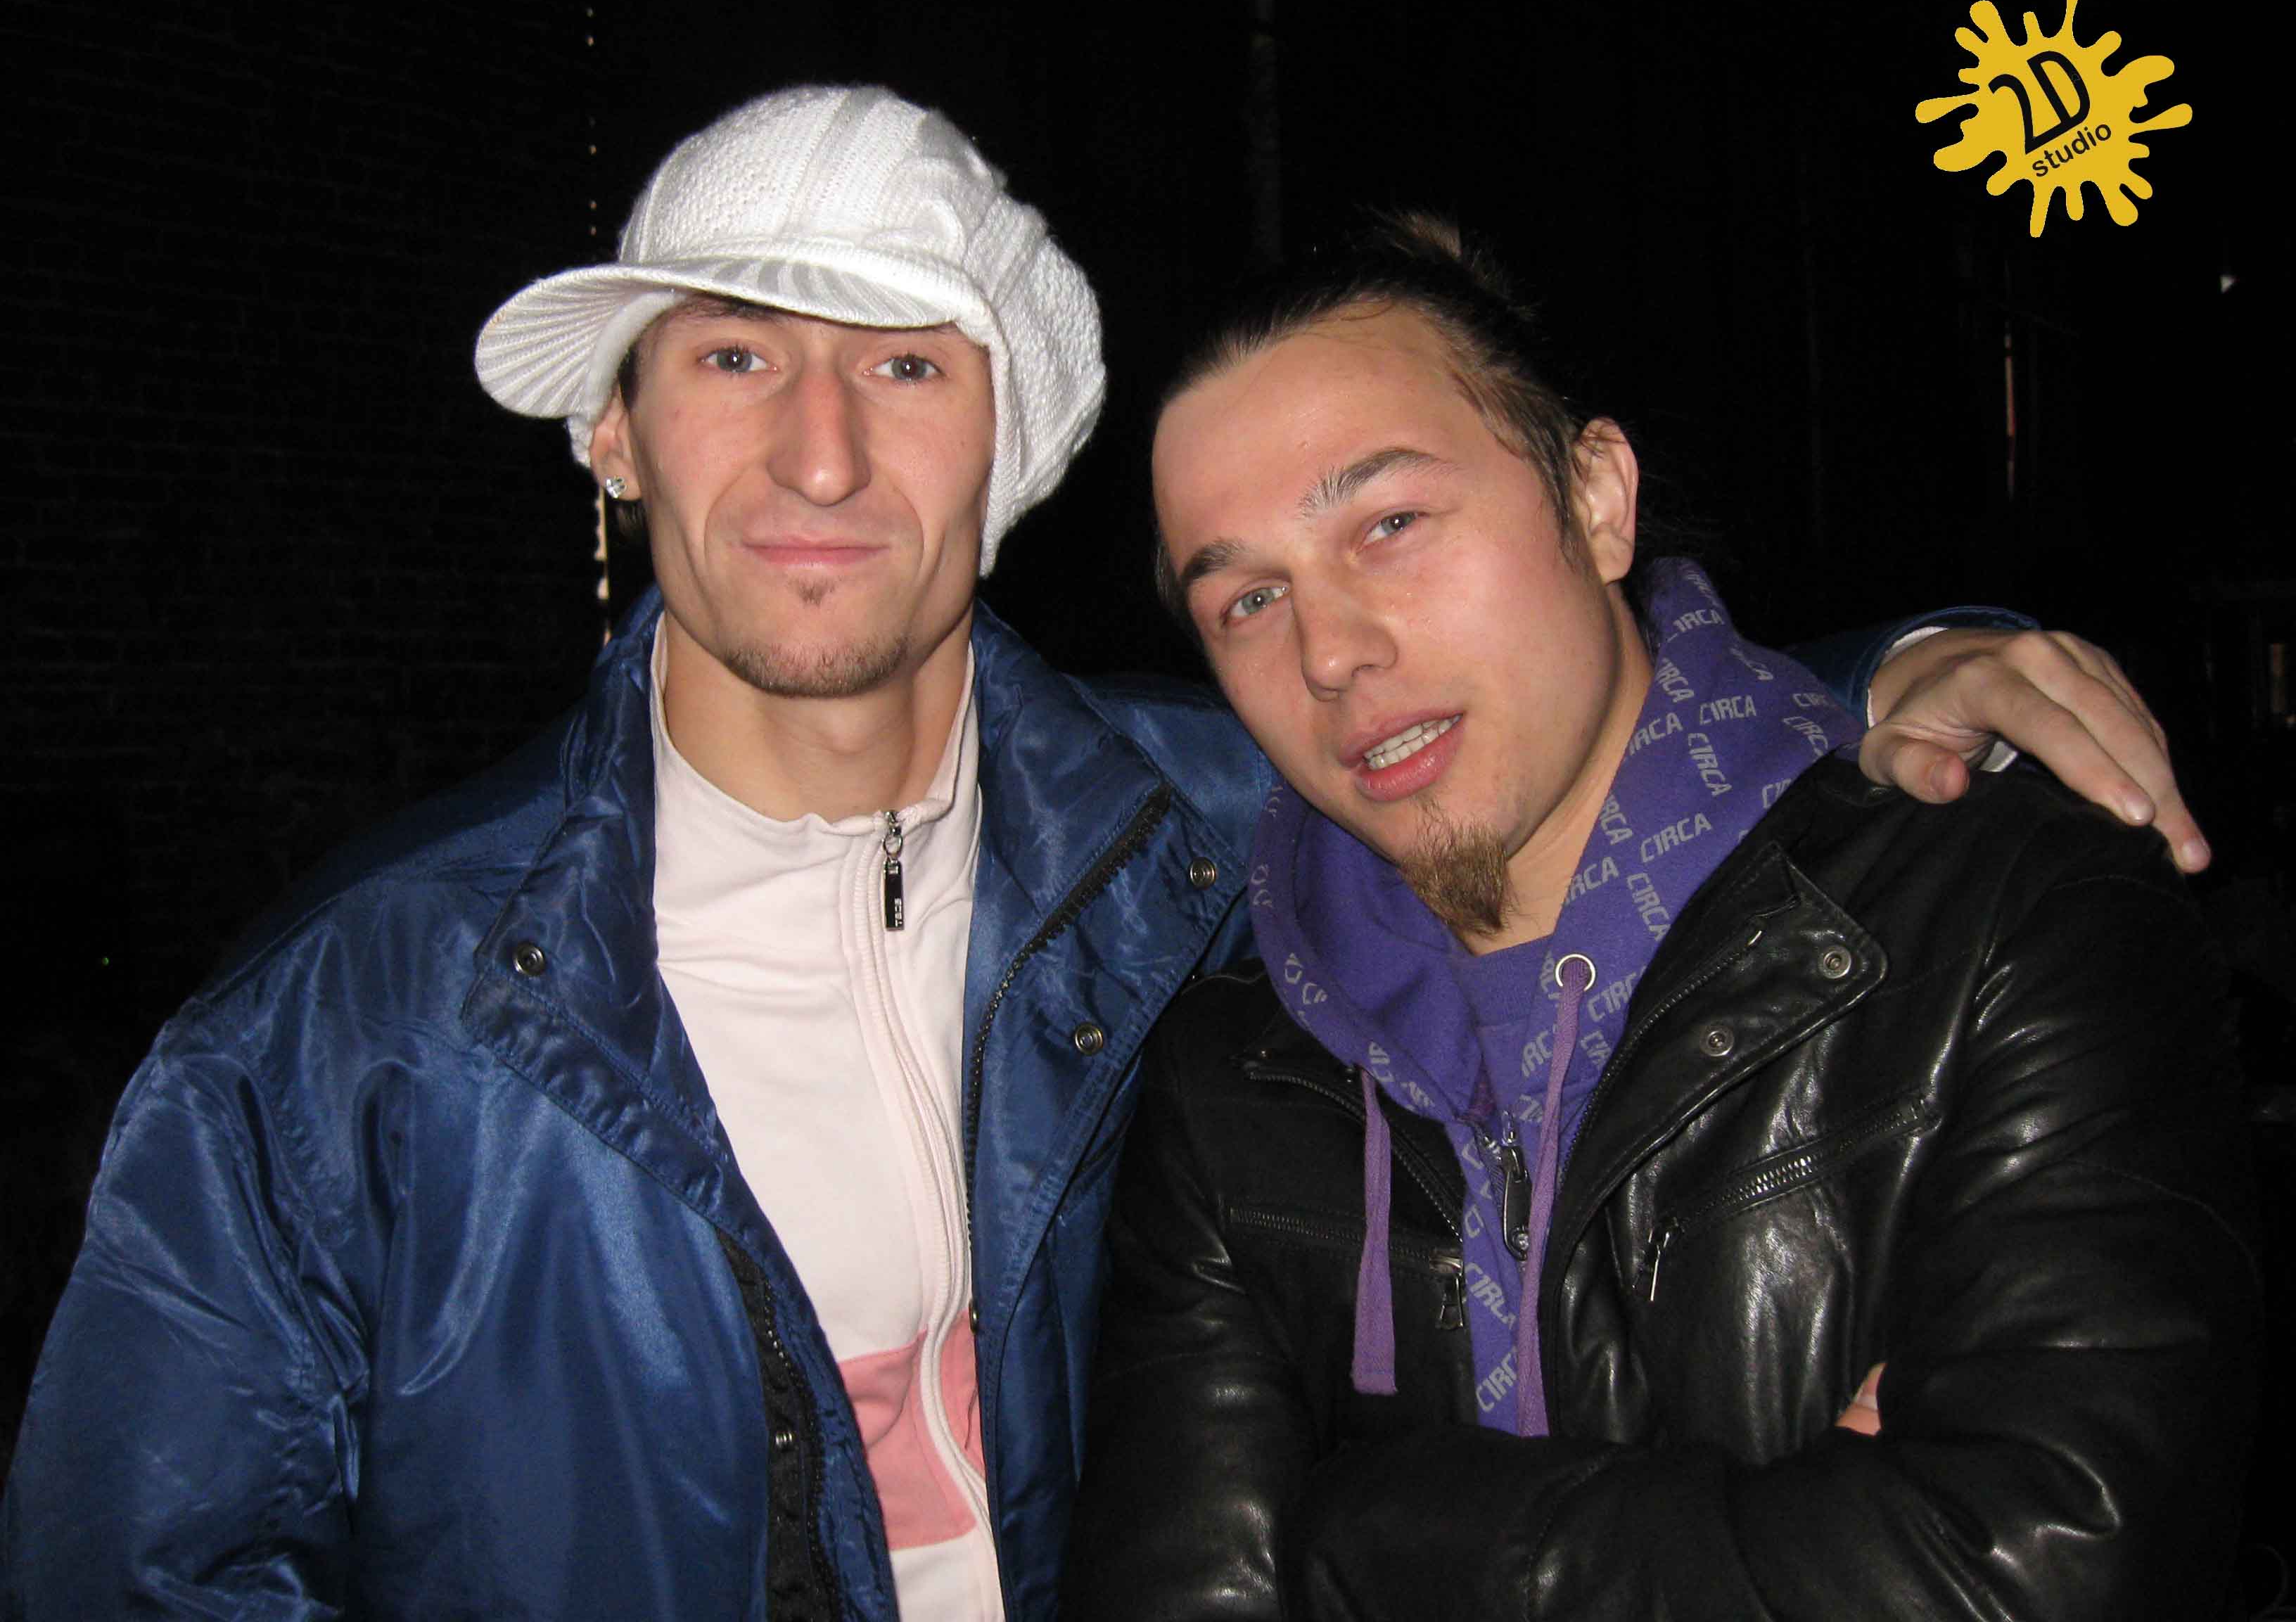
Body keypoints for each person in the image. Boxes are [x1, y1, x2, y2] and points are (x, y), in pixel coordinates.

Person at [0, 91, 2212, 1621]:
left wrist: (1902, 665)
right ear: (615, 429)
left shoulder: (1214, 834)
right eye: (733, 355)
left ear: (1012, 448)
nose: (819, 452)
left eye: (907, 367)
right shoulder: (345, 1031)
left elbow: (1559, 740)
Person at [1065, 216, 2259, 1618]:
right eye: (1250, 598)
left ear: (1598, 500)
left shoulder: (1999, 923)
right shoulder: (1229, 1075)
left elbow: (2043, 1574)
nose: (1331, 653)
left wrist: (1369, 1535)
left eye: (1390, 525)